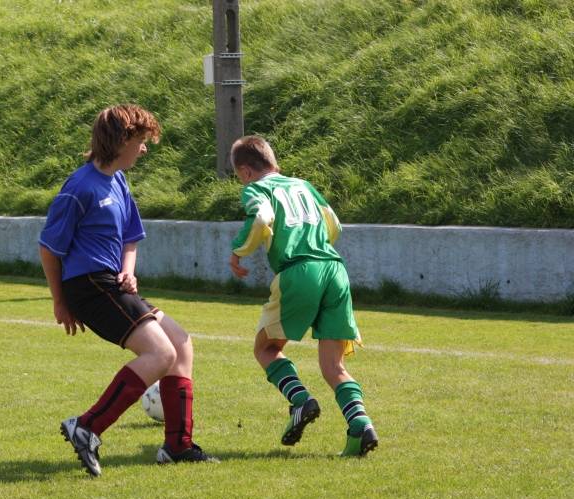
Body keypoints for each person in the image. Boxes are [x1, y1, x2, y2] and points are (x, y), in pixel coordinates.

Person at [39, 104, 218, 476]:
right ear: (122, 141)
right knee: (160, 353)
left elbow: (130, 237)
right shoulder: (79, 187)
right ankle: (87, 426)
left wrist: (128, 270)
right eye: (141, 140)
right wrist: (59, 300)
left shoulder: (118, 180)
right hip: (89, 285)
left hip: (112, 281)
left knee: (180, 343)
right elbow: (49, 248)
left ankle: (178, 446)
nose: (144, 148)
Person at [227, 135, 378, 457]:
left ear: (246, 171)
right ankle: (360, 425)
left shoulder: (257, 188)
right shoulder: (304, 186)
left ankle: (300, 401)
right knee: (333, 365)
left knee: (266, 348)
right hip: (334, 269)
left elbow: (261, 217)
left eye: (241, 177)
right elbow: (334, 225)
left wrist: (239, 251)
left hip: (299, 271)